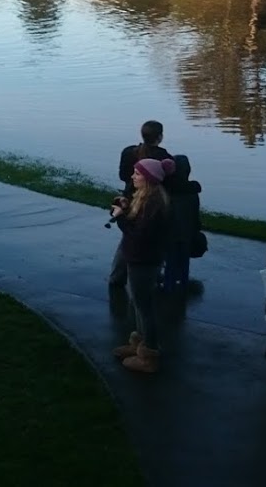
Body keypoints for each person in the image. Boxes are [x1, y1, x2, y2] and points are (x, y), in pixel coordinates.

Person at [111, 157, 176, 373]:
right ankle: (140, 343)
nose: (132, 176)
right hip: (140, 258)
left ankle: (149, 354)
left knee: (144, 306)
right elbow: (138, 226)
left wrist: (120, 218)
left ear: (148, 178)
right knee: (139, 304)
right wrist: (126, 208)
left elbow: (138, 235)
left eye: (137, 174)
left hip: (144, 260)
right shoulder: (148, 198)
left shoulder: (153, 203)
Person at [111, 121, 170, 286]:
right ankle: (145, 277)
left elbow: (123, 176)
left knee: (129, 238)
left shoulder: (129, 152)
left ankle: (117, 277)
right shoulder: (164, 157)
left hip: (129, 198)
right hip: (144, 199)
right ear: (160, 137)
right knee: (140, 236)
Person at [160, 154, 202, 293]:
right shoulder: (192, 191)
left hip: (169, 233)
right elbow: (195, 213)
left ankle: (168, 287)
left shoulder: (166, 189)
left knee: (170, 261)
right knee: (184, 261)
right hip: (187, 233)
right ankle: (182, 285)